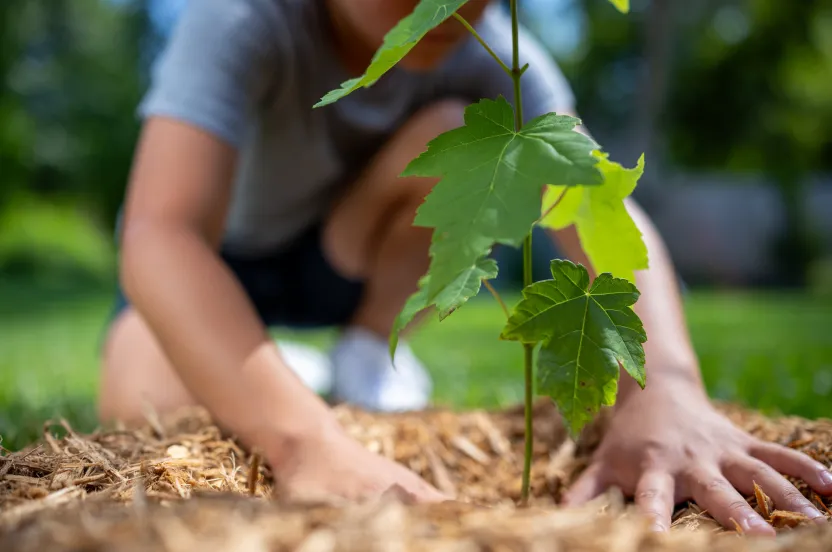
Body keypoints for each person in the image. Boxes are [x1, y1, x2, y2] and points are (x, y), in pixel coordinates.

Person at [99, 0, 832, 534]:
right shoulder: (242, 20)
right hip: (221, 268)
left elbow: (599, 207)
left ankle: (364, 355)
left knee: (462, 134)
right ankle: (288, 379)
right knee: (142, 404)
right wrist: (302, 443)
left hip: (351, 256)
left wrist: (663, 386)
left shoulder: (499, 49)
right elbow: (161, 234)